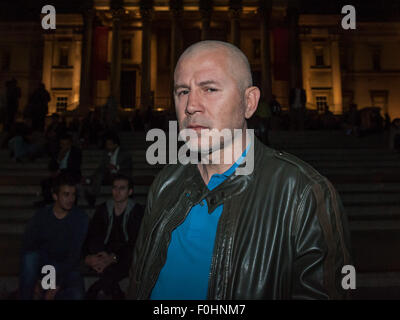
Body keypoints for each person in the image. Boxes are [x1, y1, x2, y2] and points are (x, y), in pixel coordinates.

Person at [127, 40, 352, 300]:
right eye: (182, 91)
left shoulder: (304, 194)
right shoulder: (166, 182)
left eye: (209, 89)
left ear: (249, 102)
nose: (190, 106)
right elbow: (138, 279)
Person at [19, 173, 88, 300]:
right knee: (29, 257)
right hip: (46, 267)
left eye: (73, 194)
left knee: (76, 295)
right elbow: (28, 245)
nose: (71, 199)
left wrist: (56, 285)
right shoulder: (42, 216)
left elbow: (74, 256)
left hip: (67, 269)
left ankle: (48, 293)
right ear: (55, 195)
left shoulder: (80, 218)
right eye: (66, 194)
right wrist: (36, 280)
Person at [83, 174, 144, 299]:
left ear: (130, 191)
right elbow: (93, 235)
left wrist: (113, 257)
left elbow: (135, 243)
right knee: (110, 272)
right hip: (105, 253)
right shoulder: (103, 209)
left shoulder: (137, 211)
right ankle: (117, 294)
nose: (117, 192)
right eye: (115, 188)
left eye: (122, 188)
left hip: (126, 256)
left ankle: (95, 289)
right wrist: (100, 256)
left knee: (122, 264)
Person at [84, 131, 132, 207]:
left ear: (115, 144)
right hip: (109, 174)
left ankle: (91, 186)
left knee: (102, 175)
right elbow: (101, 166)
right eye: (106, 144)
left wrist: (116, 167)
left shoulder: (124, 153)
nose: (107, 146)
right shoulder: (106, 153)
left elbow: (128, 165)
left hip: (120, 174)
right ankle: (92, 194)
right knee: (100, 173)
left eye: (109, 144)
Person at [38, 133, 82, 206]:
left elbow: (75, 167)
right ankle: (48, 202)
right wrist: (59, 159)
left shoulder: (76, 152)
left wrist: (60, 171)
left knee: (67, 181)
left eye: (66, 144)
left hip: (71, 174)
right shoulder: (57, 151)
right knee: (45, 182)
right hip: (59, 175)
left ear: (70, 144)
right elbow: (51, 167)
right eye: (62, 144)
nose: (64, 146)